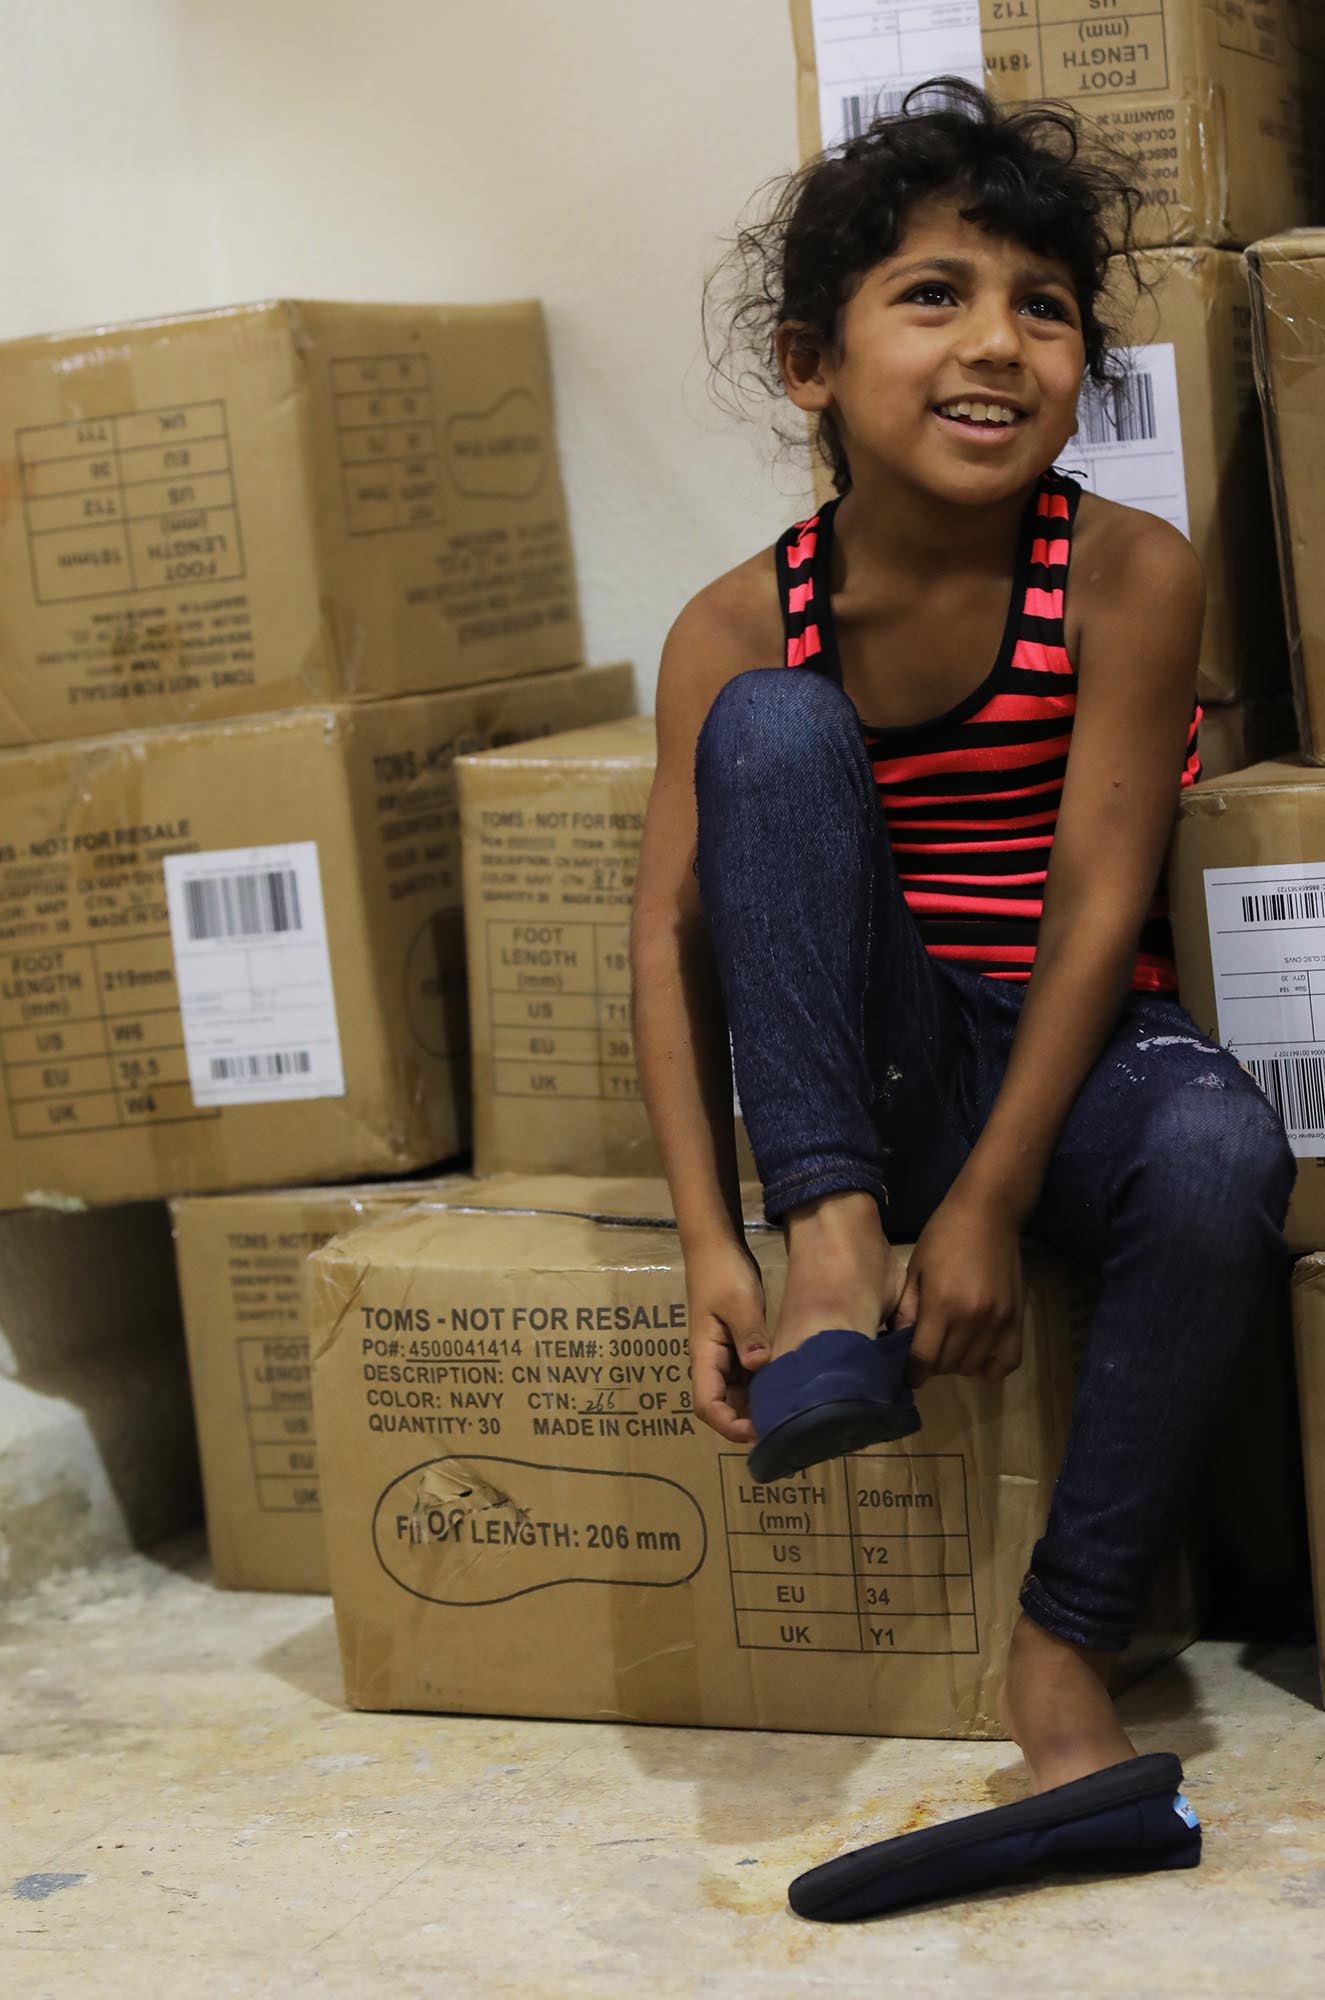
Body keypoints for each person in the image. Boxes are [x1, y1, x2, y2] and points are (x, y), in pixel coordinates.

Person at [629, 79, 1297, 1917]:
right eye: (931, 296)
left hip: (1063, 1059)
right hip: (871, 1072)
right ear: (808, 367)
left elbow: (1097, 907)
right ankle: (835, 1256)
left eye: (1043, 305)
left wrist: (996, 1202)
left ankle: (1064, 1664)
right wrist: (722, 1238)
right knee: (775, 730)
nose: (996, 342)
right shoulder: (735, 624)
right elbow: (668, 950)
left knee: (1219, 1152)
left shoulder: (1122, 575)